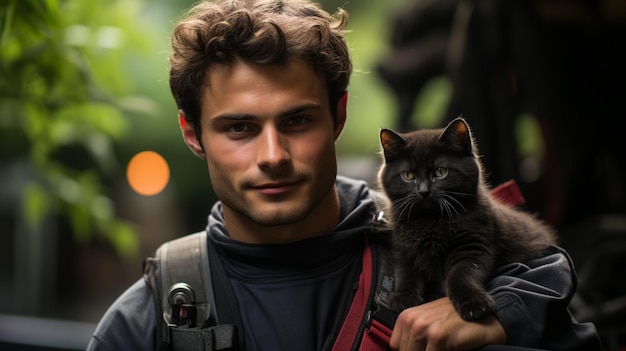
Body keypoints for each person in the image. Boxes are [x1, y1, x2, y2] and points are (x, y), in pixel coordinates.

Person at [87, 0, 600, 350]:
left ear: (339, 117)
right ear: (193, 134)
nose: (274, 155)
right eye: (239, 128)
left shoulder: (450, 253)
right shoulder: (149, 320)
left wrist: (502, 315)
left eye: (297, 120)